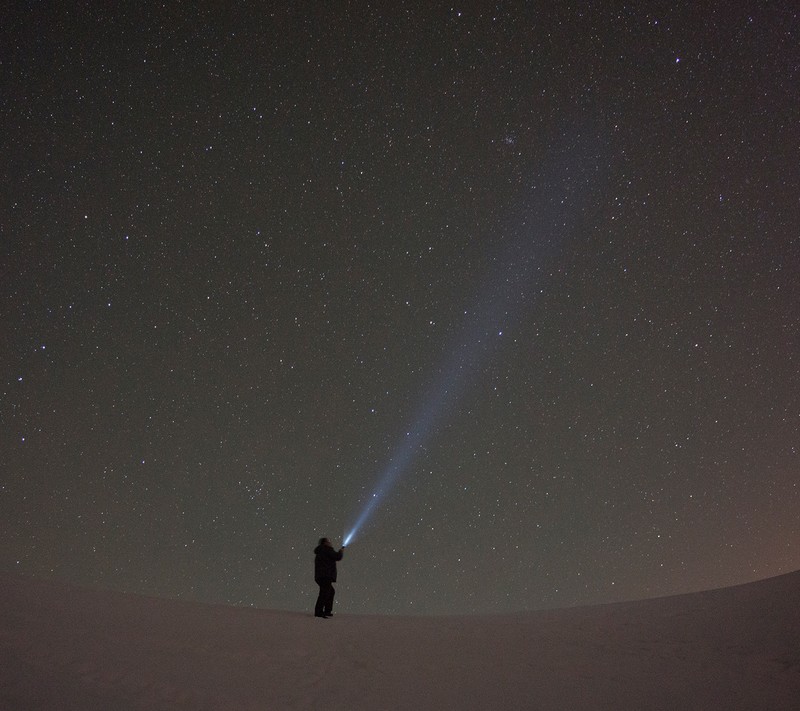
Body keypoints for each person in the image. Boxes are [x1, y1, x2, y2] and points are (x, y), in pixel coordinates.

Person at [313, 537, 344, 618]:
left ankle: (326, 611)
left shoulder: (320, 551)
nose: (330, 543)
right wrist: (341, 552)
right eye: (328, 541)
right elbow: (337, 557)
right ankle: (319, 612)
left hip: (320, 576)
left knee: (329, 591)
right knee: (325, 592)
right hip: (326, 575)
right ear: (325, 543)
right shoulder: (326, 549)